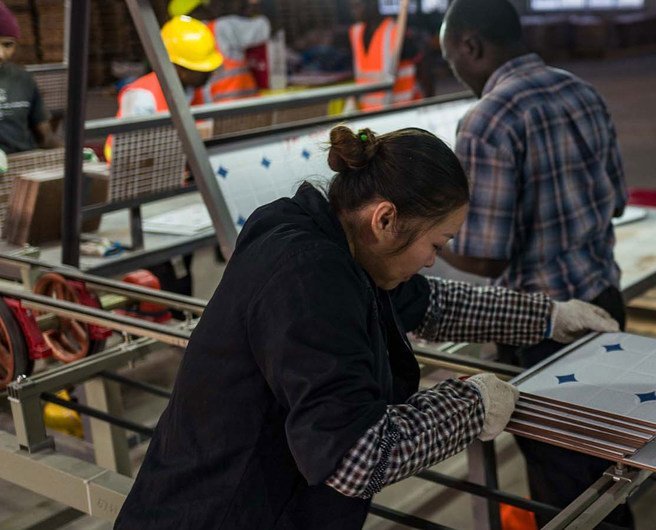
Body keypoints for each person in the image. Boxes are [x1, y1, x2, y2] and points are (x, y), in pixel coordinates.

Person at [114, 125, 620, 529]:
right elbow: (355, 456)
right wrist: (470, 405)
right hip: (222, 511)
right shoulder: (309, 278)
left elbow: (432, 304)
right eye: (437, 245)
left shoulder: (334, 239)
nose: (430, 262)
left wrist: (548, 317)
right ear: (385, 218)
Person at [437, 0, 632, 526]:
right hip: (606, 307)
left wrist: (429, 240)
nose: (458, 76)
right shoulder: (581, 90)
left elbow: (483, 255)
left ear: (471, 47)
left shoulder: (487, 119)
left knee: (563, 493)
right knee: (610, 472)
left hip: (544, 330)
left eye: (454, 62)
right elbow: (617, 201)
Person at [106, 15, 223, 298]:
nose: (208, 75)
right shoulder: (142, 96)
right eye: (200, 69)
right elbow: (132, 155)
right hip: (145, 193)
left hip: (177, 189)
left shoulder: (190, 89)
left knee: (184, 262)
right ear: (176, 67)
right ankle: (164, 312)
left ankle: (180, 309)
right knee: (162, 268)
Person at [168, 0, 272, 102]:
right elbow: (264, 27)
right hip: (228, 111)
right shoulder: (221, 28)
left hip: (240, 110)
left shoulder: (182, 43)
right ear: (200, 10)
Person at [0, 2, 60, 154]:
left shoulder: (22, 79)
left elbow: (45, 135)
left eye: (8, 45)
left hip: (22, 165)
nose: (1, 54)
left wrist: (72, 157)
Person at [349, 0, 423, 111]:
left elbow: (423, 69)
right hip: (370, 113)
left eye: (357, 5)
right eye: (351, 7)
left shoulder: (395, 32)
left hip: (401, 111)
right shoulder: (356, 33)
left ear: (372, 3)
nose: (353, 12)